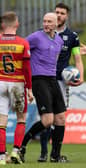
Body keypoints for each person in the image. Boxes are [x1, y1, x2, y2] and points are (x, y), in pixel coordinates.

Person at [37, 2, 84, 162]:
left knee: (60, 119)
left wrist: (81, 76)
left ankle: (55, 154)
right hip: (43, 80)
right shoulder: (41, 34)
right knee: (46, 118)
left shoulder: (72, 37)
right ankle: (43, 152)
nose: (59, 15)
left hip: (61, 82)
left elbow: (77, 58)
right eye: (56, 12)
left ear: (67, 16)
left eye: (62, 13)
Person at [19, 12, 67, 163]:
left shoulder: (59, 40)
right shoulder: (35, 37)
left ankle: (55, 156)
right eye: (44, 21)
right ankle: (22, 146)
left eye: (49, 22)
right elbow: (21, 49)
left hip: (52, 79)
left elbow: (55, 59)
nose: (46, 24)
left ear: (56, 24)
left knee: (60, 118)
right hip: (38, 79)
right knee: (47, 121)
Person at [0, 11, 33, 165]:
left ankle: (1, 157)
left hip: (1, 83)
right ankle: (15, 151)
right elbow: (27, 68)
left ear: (2, 25)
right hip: (17, 85)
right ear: (17, 24)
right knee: (21, 119)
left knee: (1, 123)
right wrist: (30, 88)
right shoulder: (22, 42)